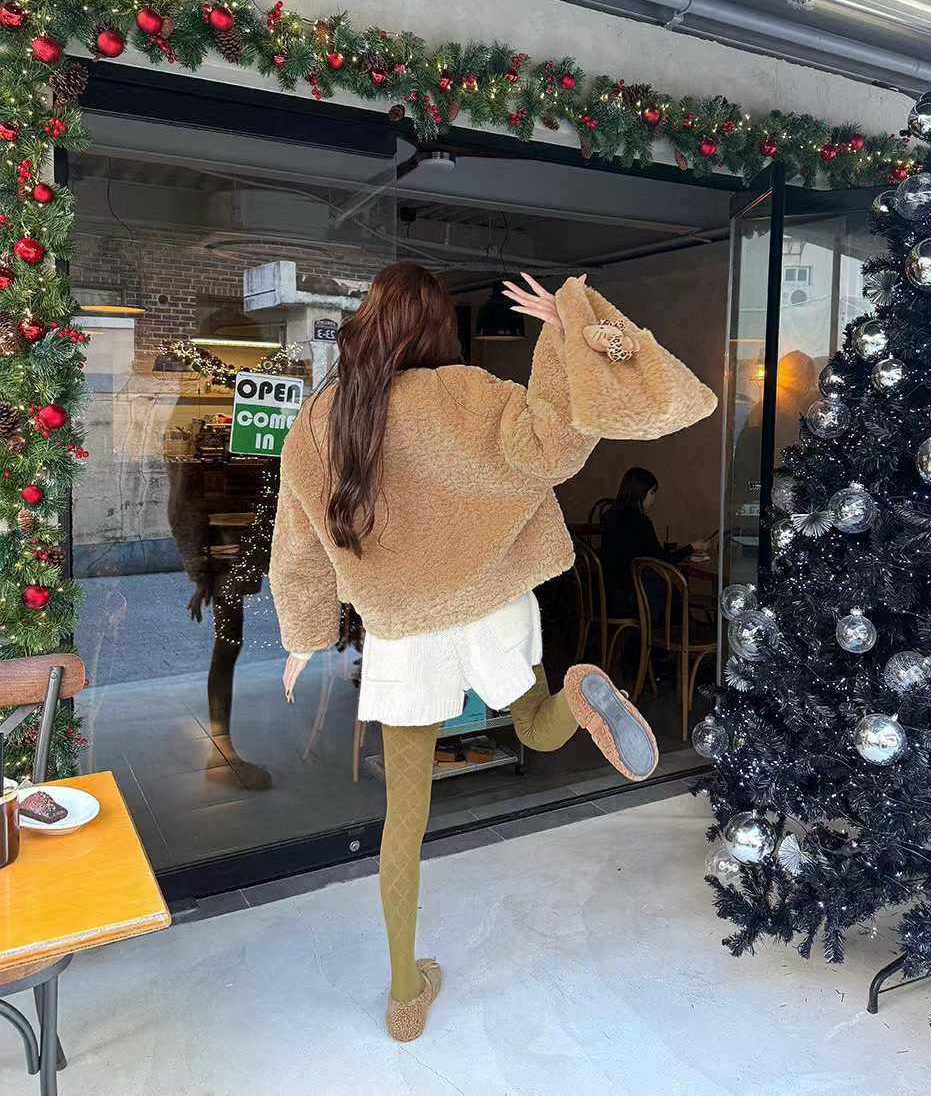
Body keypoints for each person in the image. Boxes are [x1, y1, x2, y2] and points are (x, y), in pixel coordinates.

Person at [269, 262, 716, 1042]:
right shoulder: (468, 393)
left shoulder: (322, 420)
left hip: (405, 631)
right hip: (493, 605)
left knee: (404, 819)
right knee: (536, 724)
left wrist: (304, 640)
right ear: (439, 326)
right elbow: (555, 447)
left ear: (369, 322)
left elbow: (299, 543)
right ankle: (578, 695)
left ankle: (404, 996)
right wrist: (564, 333)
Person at [599, 467, 708, 623]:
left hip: (608, 592)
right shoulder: (640, 522)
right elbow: (661, 559)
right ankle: (676, 635)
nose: (653, 499)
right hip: (633, 594)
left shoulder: (610, 516)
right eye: (652, 493)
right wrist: (691, 547)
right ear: (640, 493)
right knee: (674, 592)